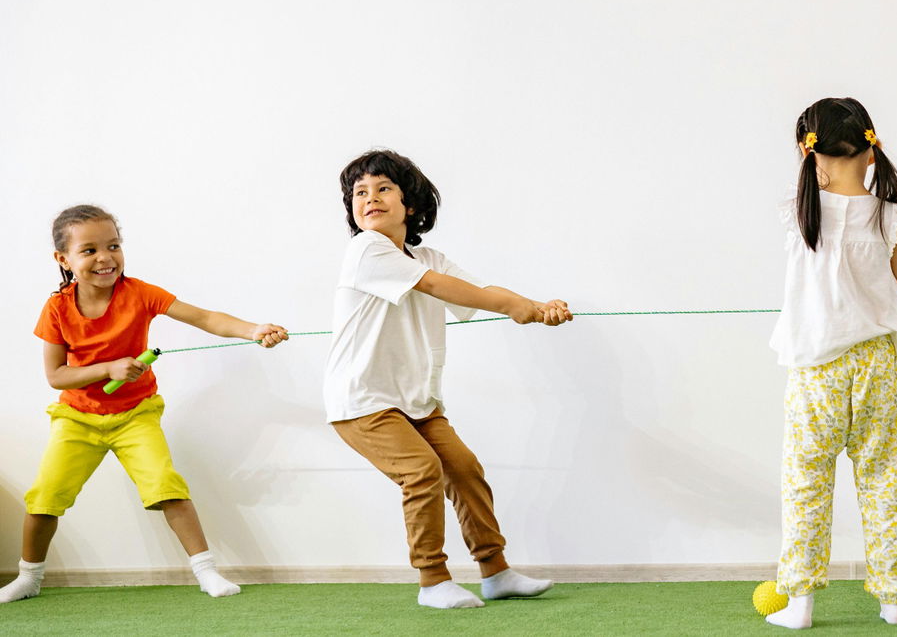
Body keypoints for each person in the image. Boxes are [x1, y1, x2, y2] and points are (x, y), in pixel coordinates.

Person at [0, 204, 288, 604]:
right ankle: (29, 578)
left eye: (113, 246)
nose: (105, 258)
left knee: (165, 486)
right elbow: (56, 376)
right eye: (89, 250)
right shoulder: (57, 309)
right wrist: (108, 369)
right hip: (77, 418)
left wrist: (253, 330)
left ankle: (206, 572)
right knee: (45, 497)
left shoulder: (139, 293)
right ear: (62, 259)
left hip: (136, 414)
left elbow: (205, 318)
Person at [324, 149, 572, 609]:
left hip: (416, 401)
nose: (370, 198)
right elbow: (436, 287)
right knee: (422, 472)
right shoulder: (366, 250)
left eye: (383, 189)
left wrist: (536, 307)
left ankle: (495, 573)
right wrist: (518, 307)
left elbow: (475, 295)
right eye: (360, 193)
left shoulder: (428, 255)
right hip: (362, 401)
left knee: (463, 468)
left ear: (411, 204)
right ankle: (433, 581)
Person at [766, 98, 897, 628]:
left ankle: (800, 604)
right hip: (877, 362)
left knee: (806, 482)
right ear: (871, 149)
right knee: (883, 477)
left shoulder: (798, 211)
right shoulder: (890, 208)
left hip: (817, 369)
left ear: (809, 153)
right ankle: (894, 601)